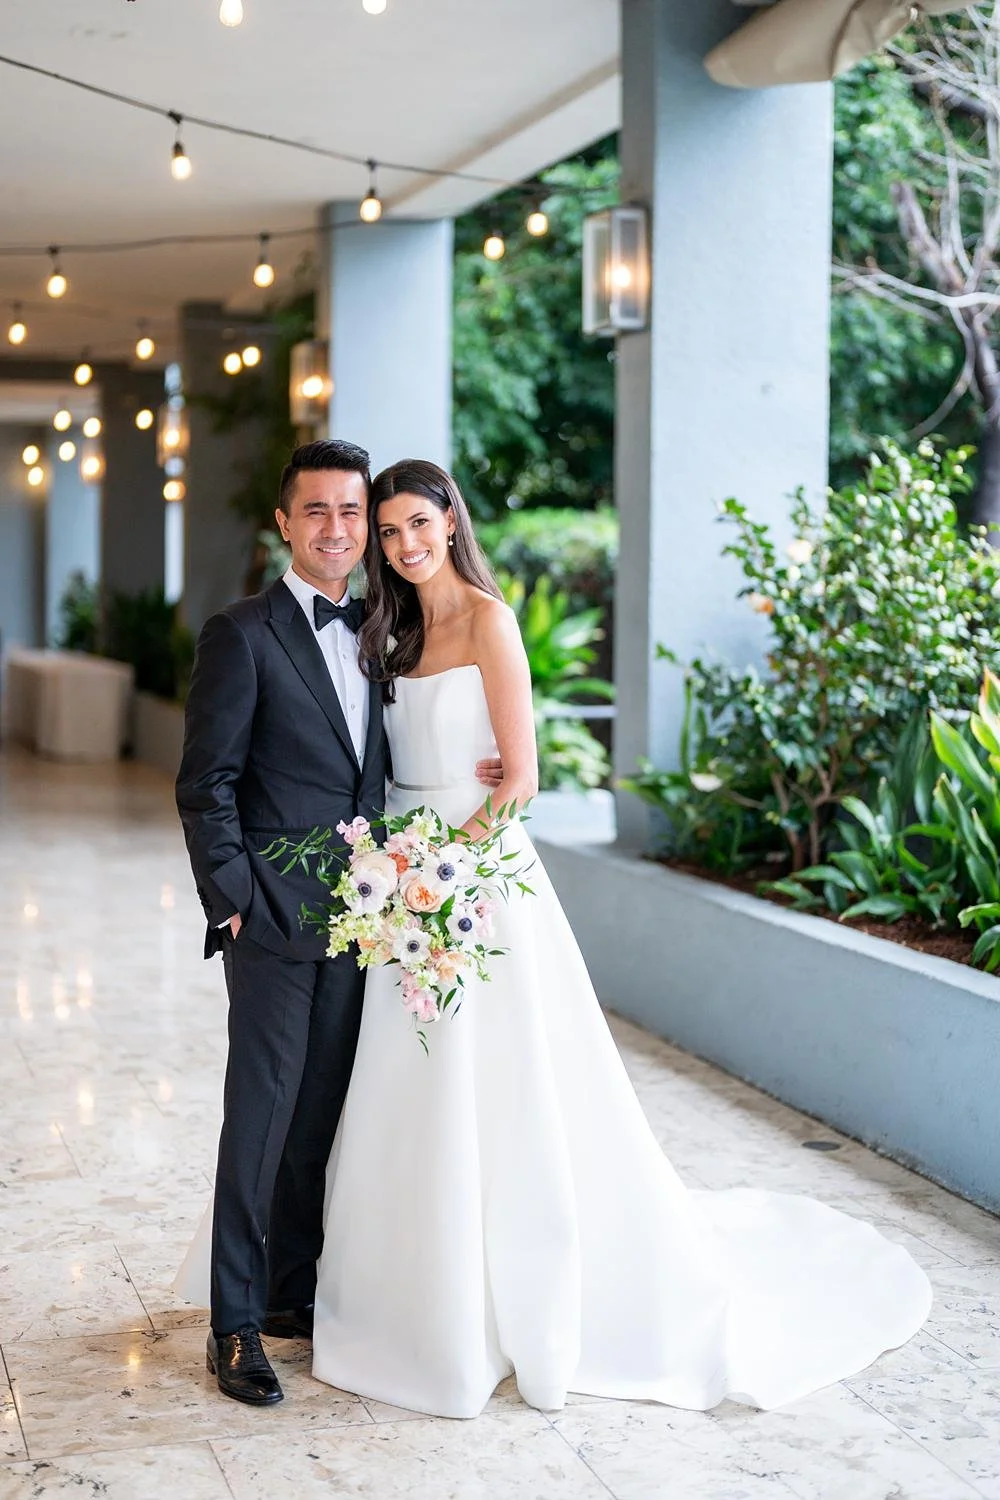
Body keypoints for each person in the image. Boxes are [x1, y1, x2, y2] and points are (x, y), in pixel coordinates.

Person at [301, 458, 933, 1418]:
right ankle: (413, 1292)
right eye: (388, 533)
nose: (403, 546)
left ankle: (513, 1288)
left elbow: (520, 779)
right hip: (405, 886)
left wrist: (447, 867)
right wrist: (398, 869)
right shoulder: (395, 628)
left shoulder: (490, 620)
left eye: (416, 525)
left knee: (502, 1083)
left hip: (473, 887)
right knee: (405, 1083)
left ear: (451, 519)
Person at [174, 440, 501, 1407]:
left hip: (368, 917)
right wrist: (233, 902)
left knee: (321, 1113)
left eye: (352, 512)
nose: (338, 529)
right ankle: (233, 1327)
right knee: (262, 1116)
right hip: (273, 920)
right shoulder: (241, 634)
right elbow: (206, 783)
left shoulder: (382, 631)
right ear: (284, 523)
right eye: (316, 511)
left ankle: (288, 1297)